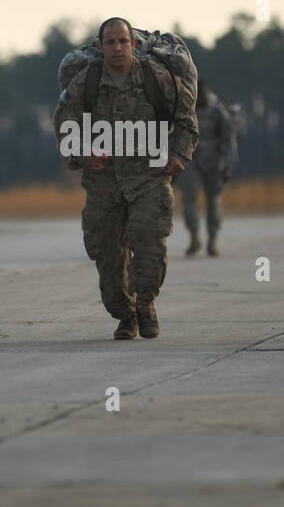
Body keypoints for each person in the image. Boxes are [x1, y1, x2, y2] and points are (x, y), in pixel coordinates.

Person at [53, 17, 198, 339]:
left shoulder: (156, 79)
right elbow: (64, 125)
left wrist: (179, 156)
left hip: (150, 177)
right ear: (101, 46)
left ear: (133, 43)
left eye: (123, 41)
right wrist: (82, 155)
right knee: (106, 255)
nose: (117, 48)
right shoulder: (86, 82)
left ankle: (145, 305)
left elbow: (186, 120)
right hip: (104, 182)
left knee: (149, 245)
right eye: (111, 42)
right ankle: (124, 314)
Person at [178, 79, 234, 256]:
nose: (200, 95)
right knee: (189, 198)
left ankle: (213, 240)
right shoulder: (185, 108)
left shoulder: (218, 111)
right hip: (190, 160)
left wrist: (227, 165)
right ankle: (194, 237)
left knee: (213, 200)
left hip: (214, 161)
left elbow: (229, 140)